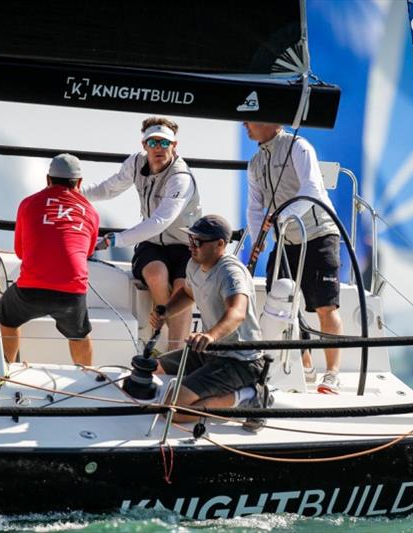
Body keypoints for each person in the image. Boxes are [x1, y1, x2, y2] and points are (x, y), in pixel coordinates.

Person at [83, 117, 201, 350]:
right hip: (152, 243)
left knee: (182, 287)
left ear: (174, 146)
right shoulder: (136, 163)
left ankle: (173, 355)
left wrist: (116, 239)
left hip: (187, 246)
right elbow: (108, 189)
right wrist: (73, 192)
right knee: (156, 275)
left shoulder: (181, 178)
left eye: (165, 143)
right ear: (144, 144)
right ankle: (165, 339)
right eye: (153, 142)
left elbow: (161, 220)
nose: (159, 148)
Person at [243, 122, 343, 394]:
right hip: (286, 239)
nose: (244, 123)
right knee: (285, 305)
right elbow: (255, 207)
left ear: (271, 122)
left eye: (251, 119)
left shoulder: (298, 146)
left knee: (325, 306)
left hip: (320, 233)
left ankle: (332, 373)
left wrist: (280, 218)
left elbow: (311, 188)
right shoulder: (254, 163)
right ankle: (306, 366)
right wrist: (257, 241)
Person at [149, 215, 268, 424]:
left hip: (239, 361)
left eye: (198, 241)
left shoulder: (231, 273)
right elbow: (187, 293)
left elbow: (237, 313)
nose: (192, 246)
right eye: (191, 239)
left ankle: (250, 396)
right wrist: (165, 311)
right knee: (152, 367)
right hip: (210, 351)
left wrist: (210, 336)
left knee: (172, 410)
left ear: (220, 244)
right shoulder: (194, 264)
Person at [0, 153, 99, 365]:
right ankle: (87, 379)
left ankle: (6, 368)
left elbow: (20, 252)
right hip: (72, 291)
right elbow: (87, 253)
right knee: (79, 334)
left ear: (48, 180)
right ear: (79, 183)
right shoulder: (91, 211)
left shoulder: (29, 203)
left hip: (31, 289)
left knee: (5, 315)